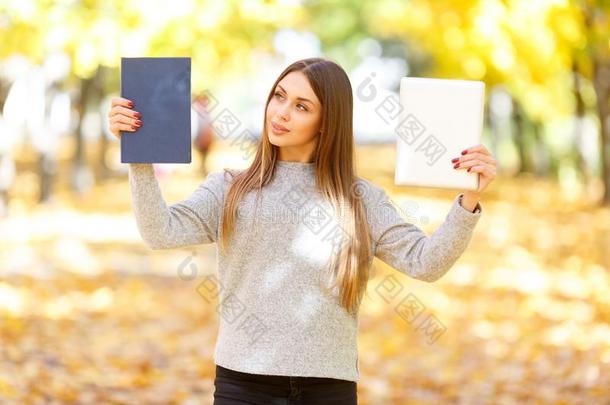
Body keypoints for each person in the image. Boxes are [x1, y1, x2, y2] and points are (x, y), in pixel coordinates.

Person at [107, 57, 496, 405]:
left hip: (328, 389)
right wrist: (138, 154)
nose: (281, 113)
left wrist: (468, 200)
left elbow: (425, 262)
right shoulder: (229, 188)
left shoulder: (360, 199)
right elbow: (159, 231)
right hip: (243, 386)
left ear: (327, 123)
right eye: (279, 96)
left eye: (301, 106)